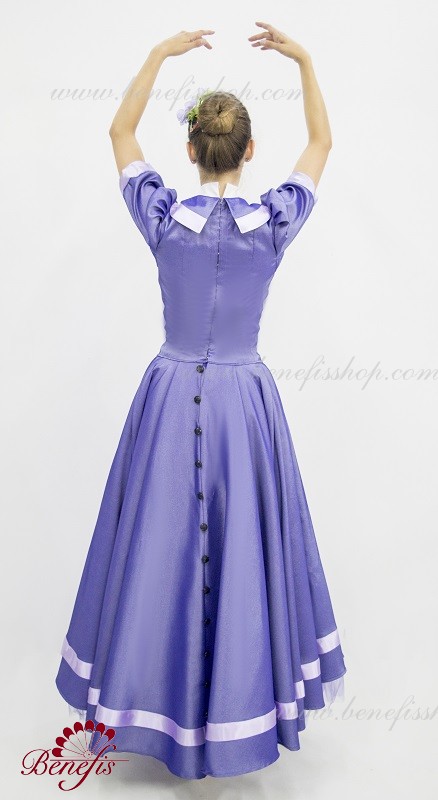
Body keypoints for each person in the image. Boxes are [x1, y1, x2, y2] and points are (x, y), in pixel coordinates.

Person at [55, 22, 347, 781]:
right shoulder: (273, 222)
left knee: (159, 552)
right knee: (245, 549)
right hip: (244, 408)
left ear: (190, 150)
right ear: (250, 152)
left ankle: (160, 704)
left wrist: (157, 54)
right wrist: (305, 61)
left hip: (169, 399)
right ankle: (232, 712)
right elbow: (321, 143)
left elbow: (119, 132)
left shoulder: (163, 220)